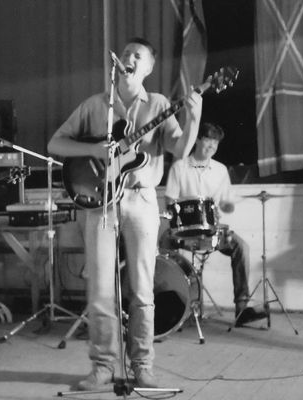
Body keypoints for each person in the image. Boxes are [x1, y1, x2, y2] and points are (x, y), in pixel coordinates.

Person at [48, 37, 202, 390]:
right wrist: (95, 150)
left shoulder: (160, 104)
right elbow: (55, 144)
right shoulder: (94, 106)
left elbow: (180, 148)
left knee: (143, 287)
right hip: (100, 201)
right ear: (117, 64)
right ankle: (103, 367)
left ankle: (142, 364)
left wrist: (194, 115)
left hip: (141, 200)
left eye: (140, 56)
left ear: (147, 68)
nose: (131, 57)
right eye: (128, 53)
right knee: (101, 289)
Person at [164, 122, 267, 326]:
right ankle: (168, 307)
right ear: (197, 140)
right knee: (161, 245)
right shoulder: (179, 166)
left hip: (211, 232)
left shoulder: (220, 170)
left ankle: (241, 308)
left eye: (216, 143)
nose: (212, 146)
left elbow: (225, 203)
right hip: (183, 232)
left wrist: (228, 206)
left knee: (241, 247)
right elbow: (169, 202)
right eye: (208, 140)